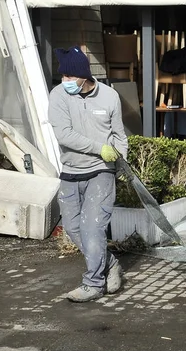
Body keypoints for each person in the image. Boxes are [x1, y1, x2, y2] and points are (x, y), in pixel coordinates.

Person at [48, 46, 128, 303]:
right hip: (71, 171)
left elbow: (118, 135)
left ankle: (93, 284)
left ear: (84, 76)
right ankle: (111, 264)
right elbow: (64, 134)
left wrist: (121, 162)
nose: (65, 81)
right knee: (73, 228)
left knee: (93, 228)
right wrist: (98, 148)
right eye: (63, 77)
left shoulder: (109, 97)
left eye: (70, 77)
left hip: (101, 172)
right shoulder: (58, 95)